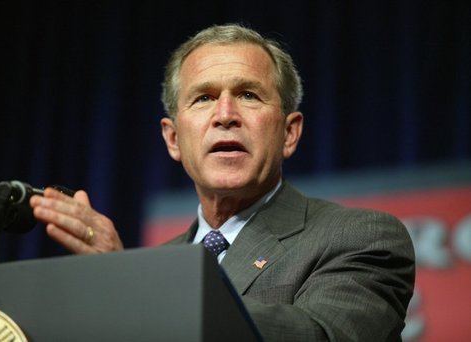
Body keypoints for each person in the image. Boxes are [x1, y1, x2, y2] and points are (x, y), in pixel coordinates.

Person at [30, 23, 415, 341]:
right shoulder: (156, 267)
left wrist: (137, 290)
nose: (225, 115)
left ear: (289, 133)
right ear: (174, 139)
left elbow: (321, 337)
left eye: (248, 94)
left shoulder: (362, 237)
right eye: (203, 98)